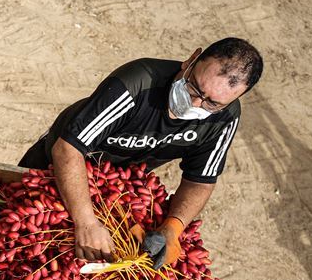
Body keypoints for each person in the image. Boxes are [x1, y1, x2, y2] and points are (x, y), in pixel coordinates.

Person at [18, 37, 263, 268]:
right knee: (18, 223)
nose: (195, 104)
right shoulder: (138, 84)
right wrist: (86, 222)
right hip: (60, 166)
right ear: (191, 61)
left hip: (116, 188)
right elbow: (67, 149)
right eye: (194, 89)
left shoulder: (225, 118)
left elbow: (200, 181)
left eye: (212, 103)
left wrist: (173, 227)